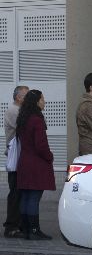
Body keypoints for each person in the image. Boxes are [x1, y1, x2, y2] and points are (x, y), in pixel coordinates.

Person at [16, 90, 55, 240]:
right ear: (37, 102)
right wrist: (50, 156)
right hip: (36, 164)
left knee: (25, 196)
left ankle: (26, 229)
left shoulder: (23, 118)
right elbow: (41, 145)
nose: (44, 102)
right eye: (42, 99)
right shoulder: (37, 120)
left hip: (24, 162)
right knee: (33, 198)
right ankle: (34, 230)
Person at [3, 85, 29, 238]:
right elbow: (24, 128)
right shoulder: (13, 111)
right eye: (26, 96)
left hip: (21, 157)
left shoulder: (19, 111)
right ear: (18, 97)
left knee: (20, 192)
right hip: (16, 158)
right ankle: (11, 226)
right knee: (15, 193)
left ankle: (18, 224)